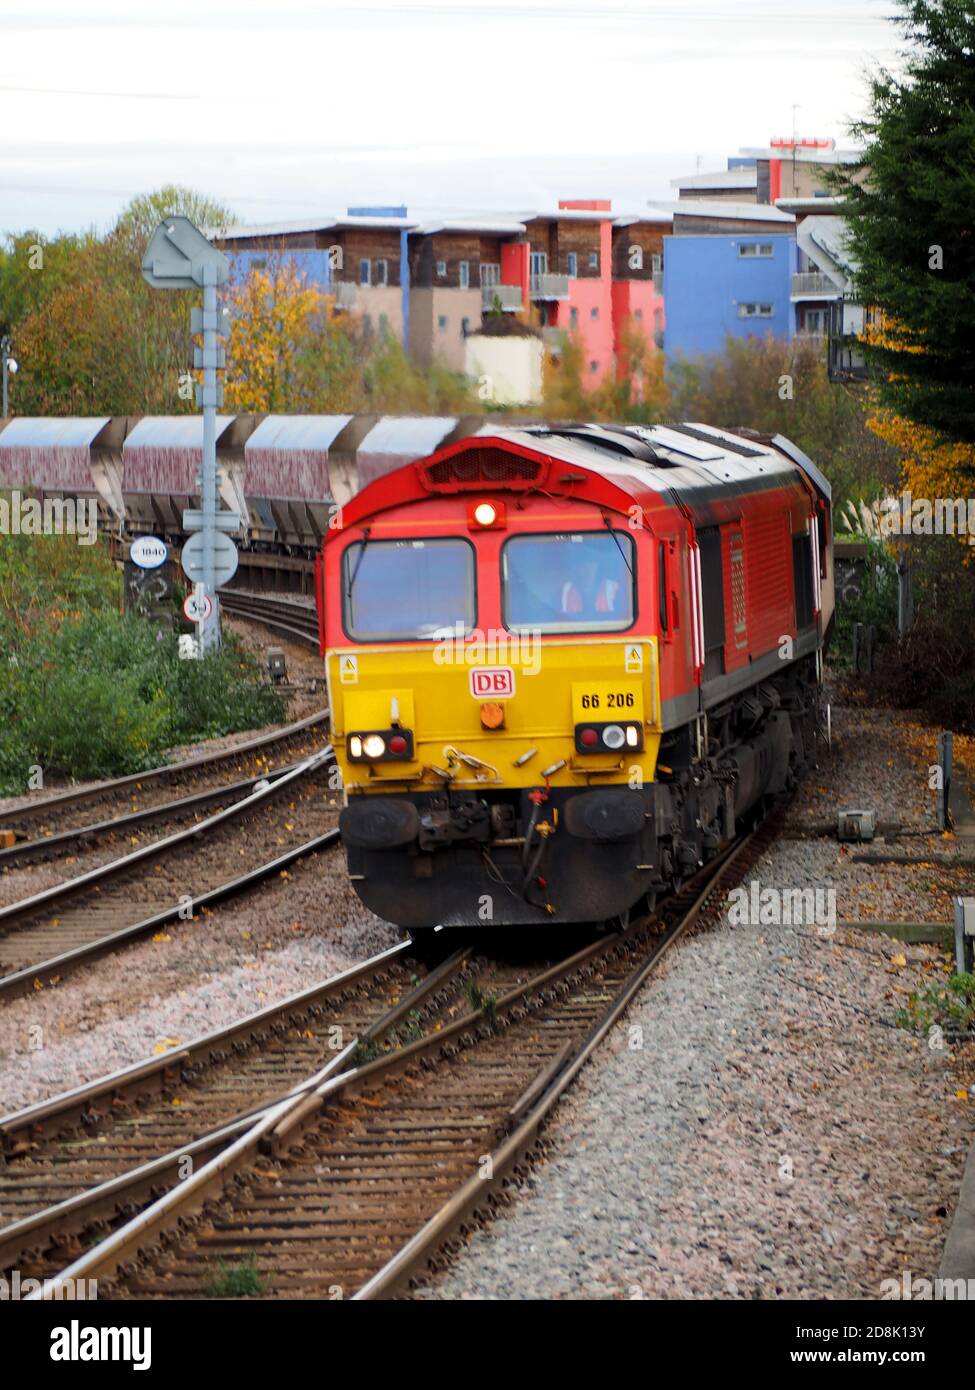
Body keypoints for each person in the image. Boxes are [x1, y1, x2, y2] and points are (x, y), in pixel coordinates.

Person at [560, 552, 621, 617]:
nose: (587, 569)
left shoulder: (614, 589)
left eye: (591, 563)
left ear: (597, 566)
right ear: (576, 568)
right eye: (582, 565)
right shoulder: (565, 591)